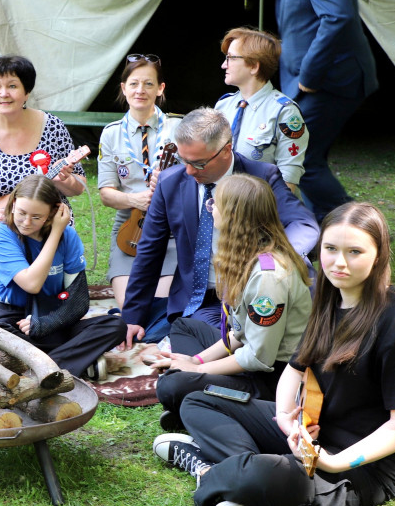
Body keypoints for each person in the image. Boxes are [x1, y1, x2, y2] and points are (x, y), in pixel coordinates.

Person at [155, 203, 395, 506]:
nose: (339, 262)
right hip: (310, 434)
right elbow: (296, 368)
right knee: (198, 401)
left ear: (378, 255)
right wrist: (287, 420)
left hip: (360, 464)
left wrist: (333, 461)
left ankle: (213, 472)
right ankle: (251, 484)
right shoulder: (328, 297)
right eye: (330, 249)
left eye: (355, 251)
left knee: (256, 475)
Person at [121, 107, 318, 348]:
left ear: (226, 149)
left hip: (256, 290)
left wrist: (271, 263)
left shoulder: (262, 176)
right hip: (204, 300)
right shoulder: (169, 182)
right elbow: (149, 252)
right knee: (226, 343)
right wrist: (133, 317)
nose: (190, 171)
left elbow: (304, 224)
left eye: (199, 163)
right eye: (184, 161)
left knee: (287, 337)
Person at [150, 173, 312, 430]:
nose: (210, 208)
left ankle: (211, 408)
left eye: (215, 203)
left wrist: (197, 373)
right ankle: (201, 404)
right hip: (250, 357)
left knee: (171, 384)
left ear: (234, 218)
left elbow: (259, 358)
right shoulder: (247, 254)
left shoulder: (268, 277)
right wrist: (197, 362)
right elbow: (240, 331)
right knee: (183, 326)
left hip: (271, 380)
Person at [0, 55, 87, 322]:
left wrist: (62, 179)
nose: (4, 94)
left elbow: (79, 187)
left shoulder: (52, 127)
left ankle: (50, 321)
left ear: (27, 91)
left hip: (47, 232)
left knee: (52, 312)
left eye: (12, 86)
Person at [267, 0, 378, 221]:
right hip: (318, 81)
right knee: (305, 157)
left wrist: (309, 75)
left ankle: (359, 230)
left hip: (328, 81)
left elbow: (337, 17)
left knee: (300, 157)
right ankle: (325, 233)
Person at [0, 176, 127, 378]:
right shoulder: (2, 232)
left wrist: (47, 323)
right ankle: (73, 361)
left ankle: (40, 372)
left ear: (53, 213)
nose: (27, 222)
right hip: (15, 320)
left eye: (37, 217)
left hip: (55, 318)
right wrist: (56, 232)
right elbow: (31, 284)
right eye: (21, 213)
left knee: (114, 326)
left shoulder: (67, 236)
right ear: (13, 205)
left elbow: (79, 299)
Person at [98, 53, 179, 310]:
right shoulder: (111, 134)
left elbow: (197, 182)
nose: (140, 90)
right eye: (133, 84)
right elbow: (106, 193)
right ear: (124, 88)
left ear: (160, 88)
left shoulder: (178, 129)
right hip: (129, 228)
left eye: (148, 84)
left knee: (159, 306)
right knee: (129, 306)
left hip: (171, 228)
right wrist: (134, 199)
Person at [214, 27, 307, 194]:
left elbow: (288, 184)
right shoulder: (223, 106)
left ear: (254, 66)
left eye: (231, 58)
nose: (223, 65)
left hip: (263, 212)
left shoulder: (285, 113)